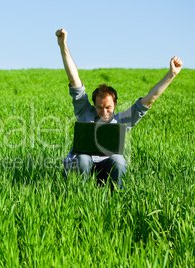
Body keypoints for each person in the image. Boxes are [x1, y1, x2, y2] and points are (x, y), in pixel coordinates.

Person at [56, 28, 183, 191]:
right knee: (83, 159)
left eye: (108, 107)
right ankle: (78, 195)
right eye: (100, 107)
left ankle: (115, 197)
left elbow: (150, 99)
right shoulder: (84, 111)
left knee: (119, 159)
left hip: (105, 170)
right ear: (94, 105)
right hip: (80, 166)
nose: (104, 111)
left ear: (115, 104)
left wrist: (171, 74)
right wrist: (63, 46)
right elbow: (74, 79)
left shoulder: (122, 120)